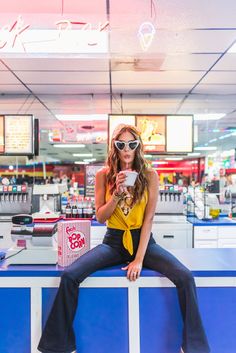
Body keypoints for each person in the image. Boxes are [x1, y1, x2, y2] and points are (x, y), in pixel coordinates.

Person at [38, 124, 210, 353]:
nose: (127, 149)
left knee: (185, 277)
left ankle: (193, 347)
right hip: (114, 242)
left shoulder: (150, 175)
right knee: (70, 275)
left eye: (132, 143)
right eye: (121, 144)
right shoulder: (103, 175)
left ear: (138, 146)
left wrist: (139, 259)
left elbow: (148, 220)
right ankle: (59, 346)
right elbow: (100, 216)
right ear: (114, 148)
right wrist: (117, 195)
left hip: (144, 242)